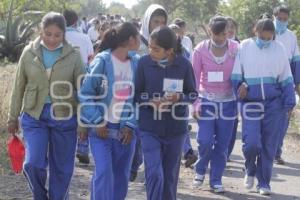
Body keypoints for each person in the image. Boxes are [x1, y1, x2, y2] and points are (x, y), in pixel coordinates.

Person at [7, 12, 86, 200]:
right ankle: (40, 196)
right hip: (34, 116)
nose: (52, 39)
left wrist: (83, 123)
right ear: (41, 31)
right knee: (32, 163)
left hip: (65, 117)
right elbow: (19, 87)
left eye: (57, 35)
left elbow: (84, 92)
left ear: (64, 34)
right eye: (48, 34)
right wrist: (12, 117)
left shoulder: (74, 55)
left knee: (62, 170)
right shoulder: (29, 52)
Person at [231, 14, 296, 195]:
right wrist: (240, 86)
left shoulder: (279, 48)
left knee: (269, 145)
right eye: (262, 37)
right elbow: (237, 75)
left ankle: (264, 182)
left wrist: (289, 102)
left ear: (273, 35)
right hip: (250, 103)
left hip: (274, 104)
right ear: (256, 31)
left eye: (269, 38)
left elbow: (286, 77)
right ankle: (250, 169)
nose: (266, 41)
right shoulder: (244, 47)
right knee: (251, 143)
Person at [78, 22, 140, 200]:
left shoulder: (137, 63)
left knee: (121, 176)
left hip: (126, 132)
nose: (140, 42)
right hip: (101, 130)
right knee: (104, 171)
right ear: (130, 39)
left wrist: (130, 124)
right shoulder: (103, 61)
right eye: (137, 38)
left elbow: (141, 97)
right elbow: (85, 93)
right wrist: (97, 120)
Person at [135, 25, 197, 200]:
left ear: (169, 51)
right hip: (149, 128)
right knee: (154, 173)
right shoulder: (143, 63)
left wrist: (179, 98)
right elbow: (136, 93)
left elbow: (192, 94)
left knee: (170, 177)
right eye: (150, 47)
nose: (151, 52)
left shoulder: (184, 65)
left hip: (175, 129)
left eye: (156, 49)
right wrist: (150, 100)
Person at [192, 16, 238, 193]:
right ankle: (200, 168)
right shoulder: (200, 50)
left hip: (228, 103)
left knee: (222, 144)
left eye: (224, 34)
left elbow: (242, 72)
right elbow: (194, 79)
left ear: (228, 32)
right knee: (204, 140)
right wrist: (195, 103)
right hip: (206, 100)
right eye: (217, 34)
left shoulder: (235, 49)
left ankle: (216, 179)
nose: (221, 38)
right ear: (210, 31)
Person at [130, 3, 168, 182]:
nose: (159, 25)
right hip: (138, 97)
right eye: (155, 21)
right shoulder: (136, 42)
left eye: (163, 22)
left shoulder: (170, 45)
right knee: (137, 134)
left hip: (161, 101)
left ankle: (152, 174)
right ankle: (134, 164)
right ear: (147, 21)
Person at [63, 9, 94, 164]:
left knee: (64, 112)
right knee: (83, 111)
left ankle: (65, 146)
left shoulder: (58, 37)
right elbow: (90, 58)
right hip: (82, 78)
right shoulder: (84, 37)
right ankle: (82, 147)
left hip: (61, 79)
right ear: (76, 21)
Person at [273, 5, 300, 165]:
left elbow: (296, 62)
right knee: (269, 118)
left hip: (286, 84)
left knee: (284, 119)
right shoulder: (266, 32)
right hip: (268, 82)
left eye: (285, 19)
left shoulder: (291, 37)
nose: (282, 22)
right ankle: (265, 149)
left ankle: (277, 151)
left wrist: (297, 84)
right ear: (273, 17)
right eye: (279, 19)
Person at [169, 23, 198, 168]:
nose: (175, 36)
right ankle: (187, 152)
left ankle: (187, 153)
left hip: (180, 97)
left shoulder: (185, 52)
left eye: (177, 33)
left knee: (182, 125)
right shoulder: (157, 54)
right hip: (163, 100)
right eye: (172, 33)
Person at [226, 16, 240, 162]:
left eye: (232, 27)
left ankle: (226, 152)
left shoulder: (241, 46)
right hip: (216, 91)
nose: (229, 30)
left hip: (234, 91)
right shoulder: (215, 45)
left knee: (232, 122)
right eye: (227, 26)